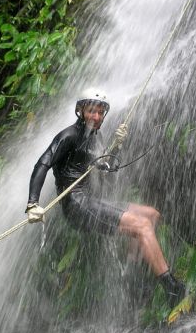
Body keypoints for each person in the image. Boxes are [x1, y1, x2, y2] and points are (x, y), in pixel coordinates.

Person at [25, 89, 185, 305]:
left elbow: (106, 172)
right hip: (77, 205)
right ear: (81, 111)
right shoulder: (69, 136)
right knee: (143, 225)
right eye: (92, 111)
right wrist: (32, 202)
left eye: (100, 112)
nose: (97, 117)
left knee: (151, 214)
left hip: (91, 200)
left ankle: (131, 278)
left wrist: (116, 148)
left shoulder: (94, 138)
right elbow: (42, 164)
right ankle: (172, 290)